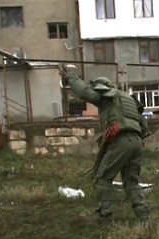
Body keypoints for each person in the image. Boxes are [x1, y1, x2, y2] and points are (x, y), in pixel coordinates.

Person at [64, 65, 150, 223]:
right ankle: (143, 216)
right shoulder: (129, 99)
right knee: (132, 182)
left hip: (120, 140)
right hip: (137, 142)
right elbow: (144, 125)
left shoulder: (106, 96)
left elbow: (83, 91)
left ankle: (106, 216)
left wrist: (71, 74)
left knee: (102, 179)